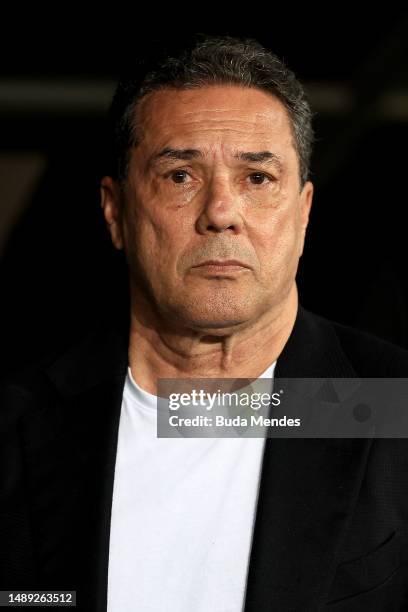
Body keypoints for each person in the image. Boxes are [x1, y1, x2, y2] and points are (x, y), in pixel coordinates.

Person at [2, 34, 408, 612]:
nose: (220, 212)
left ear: (304, 212)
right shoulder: (17, 424)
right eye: (180, 176)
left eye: (258, 179)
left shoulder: (394, 405)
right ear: (116, 212)